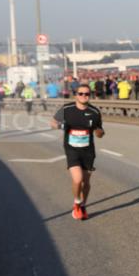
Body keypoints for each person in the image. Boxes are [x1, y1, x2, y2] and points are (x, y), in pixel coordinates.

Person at [50, 83, 104, 220]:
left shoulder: (94, 112)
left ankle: (83, 205)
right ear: (76, 95)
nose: (84, 96)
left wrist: (99, 132)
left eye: (87, 94)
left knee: (86, 182)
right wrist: (61, 126)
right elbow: (52, 122)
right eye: (81, 93)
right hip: (72, 149)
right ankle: (77, 203)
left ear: (90, 95)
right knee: (78, 179)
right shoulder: (67, 109)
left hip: (88, 151)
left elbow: (99, 131)